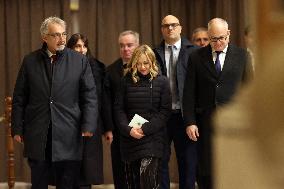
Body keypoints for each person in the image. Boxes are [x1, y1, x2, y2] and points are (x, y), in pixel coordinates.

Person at [11, 17, 98, 189]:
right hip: (38, 133)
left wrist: (88, 125)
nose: (62, 39)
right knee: (39, 181)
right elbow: (20, 97)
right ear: (44, 37)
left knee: (67, 182)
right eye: (56, 35)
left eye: (64, 34)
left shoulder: (79, 61)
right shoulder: (30, 61)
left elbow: (90, 96)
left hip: (69, 133)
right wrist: (17, 128)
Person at [182, 18, 253, 189]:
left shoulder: (242, 56)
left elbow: (250, 91)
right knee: (207, 170)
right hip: (205, 123)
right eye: (213, 39)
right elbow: (189, 93)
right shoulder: (196, 57)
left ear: (228, 34)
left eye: (221, 38)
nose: (218, 42)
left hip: (235, 125)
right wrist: (190, 122)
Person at [114, 44, 171, 189]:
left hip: (152, 139)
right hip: (130, 139)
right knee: (132, 183)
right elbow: (118, 110)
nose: (142, 67)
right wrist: (129, 130)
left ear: (152, 62)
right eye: (138, 63)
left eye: (145, 63)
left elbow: (164, 112)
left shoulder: (162, 82)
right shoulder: (125, 82)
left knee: (148, 183)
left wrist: (144, 129)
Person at [153, 15, 197, 189]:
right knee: (160, 161)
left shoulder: (193, 52)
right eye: (166, 26)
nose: (170, 28)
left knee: (187, 163)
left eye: (173, 25)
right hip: (162, 116)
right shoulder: (154, 53)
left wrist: (193, 118)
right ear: (162, 29)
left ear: (180, 28)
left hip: (185, 116)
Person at [67, 33, 110, 189]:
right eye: (78, 46)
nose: (82, 50)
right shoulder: (60, 66)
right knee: (69, 172)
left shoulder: (97, 67)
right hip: (69, 124)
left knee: (87, 172)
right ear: (70, 48)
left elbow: (103, 100)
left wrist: (108, 128)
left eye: (84, 46)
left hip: (91, 124)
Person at [103, 30, 139, 189]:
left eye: (130, 45)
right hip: (119, 130)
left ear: (137, 45)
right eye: (122, 46)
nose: (126, 49)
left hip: (142, 128)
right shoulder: (110, 71)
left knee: (140, 172)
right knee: (120, 170)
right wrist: (109, 128)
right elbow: (107, 102)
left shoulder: (148, 68)